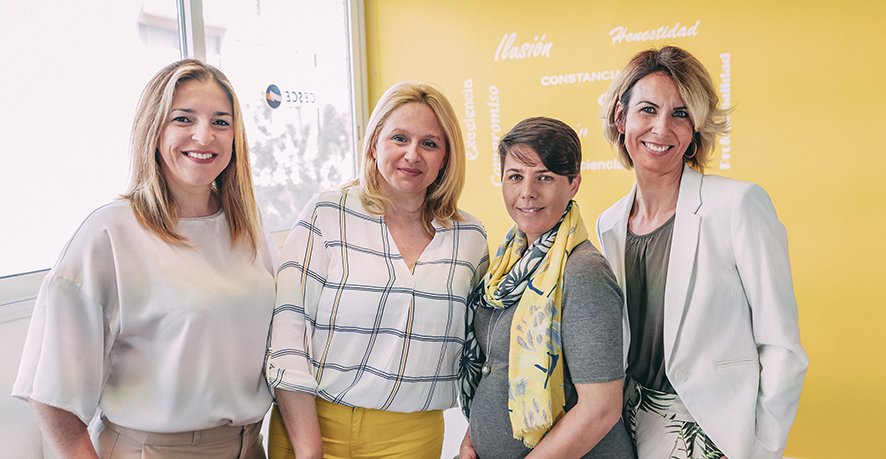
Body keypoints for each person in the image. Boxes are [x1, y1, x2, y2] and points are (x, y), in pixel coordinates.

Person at [12, 59, 278, 458]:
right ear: (153, 130)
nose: (204, 136)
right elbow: (50, 392)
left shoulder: (249, 228)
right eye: (183, 119)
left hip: (249, 445)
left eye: (221, 122)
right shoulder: (110, 235)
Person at [596, 46, 809, 459]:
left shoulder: (738, 205)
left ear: (695, 129)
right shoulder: (608, 224)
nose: (661, 128)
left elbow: (782, 347)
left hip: (714, 435)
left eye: (680, 114)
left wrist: (762, 449)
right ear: (621, 118)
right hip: (626, 430)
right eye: (647, 110)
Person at [265, 81, 489, 459]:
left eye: (430, 144)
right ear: (374, 144)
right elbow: (287, 331)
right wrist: (308, 448)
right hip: (312, 427)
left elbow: (483, 346)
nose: (412, 155)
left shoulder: (469, 237)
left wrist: (478, 428)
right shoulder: (328, 213)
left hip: (412, 437)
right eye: (399, 138)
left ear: (446, 157)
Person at [458, 117, 633, 459]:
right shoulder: (505, 265)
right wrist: (471, 440)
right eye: (515, 177)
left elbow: (600, 411)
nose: (527, 192)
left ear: (573, 184)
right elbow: (500, 369)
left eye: (545, 177)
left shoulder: (583, 273)